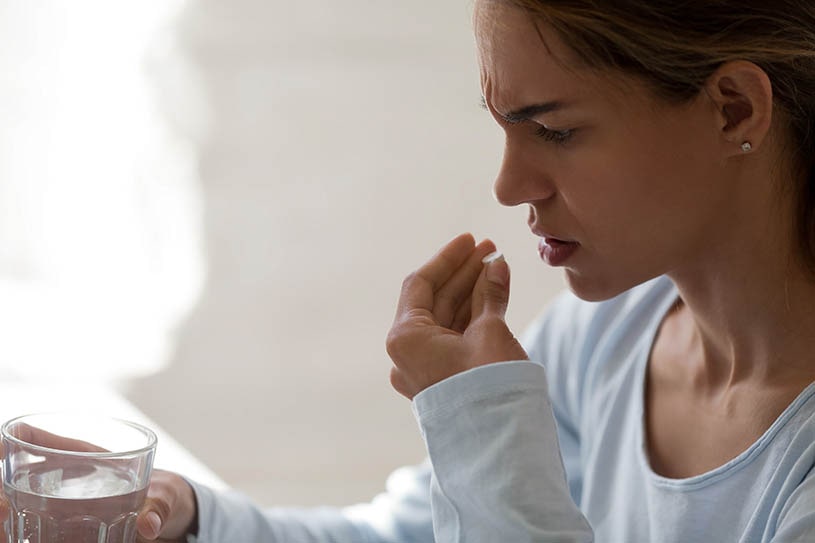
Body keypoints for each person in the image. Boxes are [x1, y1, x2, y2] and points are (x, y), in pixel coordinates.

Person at [125, 0, 815, 541]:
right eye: (504, 129)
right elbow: (413, 535)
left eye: (554, 131)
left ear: (733, 109)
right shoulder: (599, 340)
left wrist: (483, 428)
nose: (509, 185)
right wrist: (192, 520)